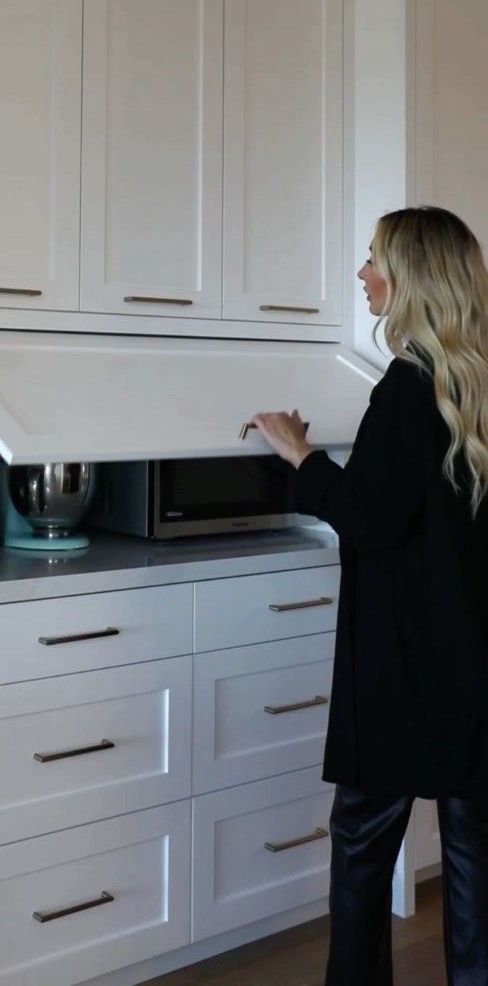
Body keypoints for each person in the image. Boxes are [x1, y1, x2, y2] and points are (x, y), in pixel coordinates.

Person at [251, 206, 488, 986]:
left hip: (401, 665)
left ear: (411, 276)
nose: (361, 274)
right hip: (475, 665)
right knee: (473, 866)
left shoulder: (405, 389)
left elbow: (369, 518)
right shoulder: (474, 384)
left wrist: (301, 453)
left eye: (373, 259)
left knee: (361, 844)